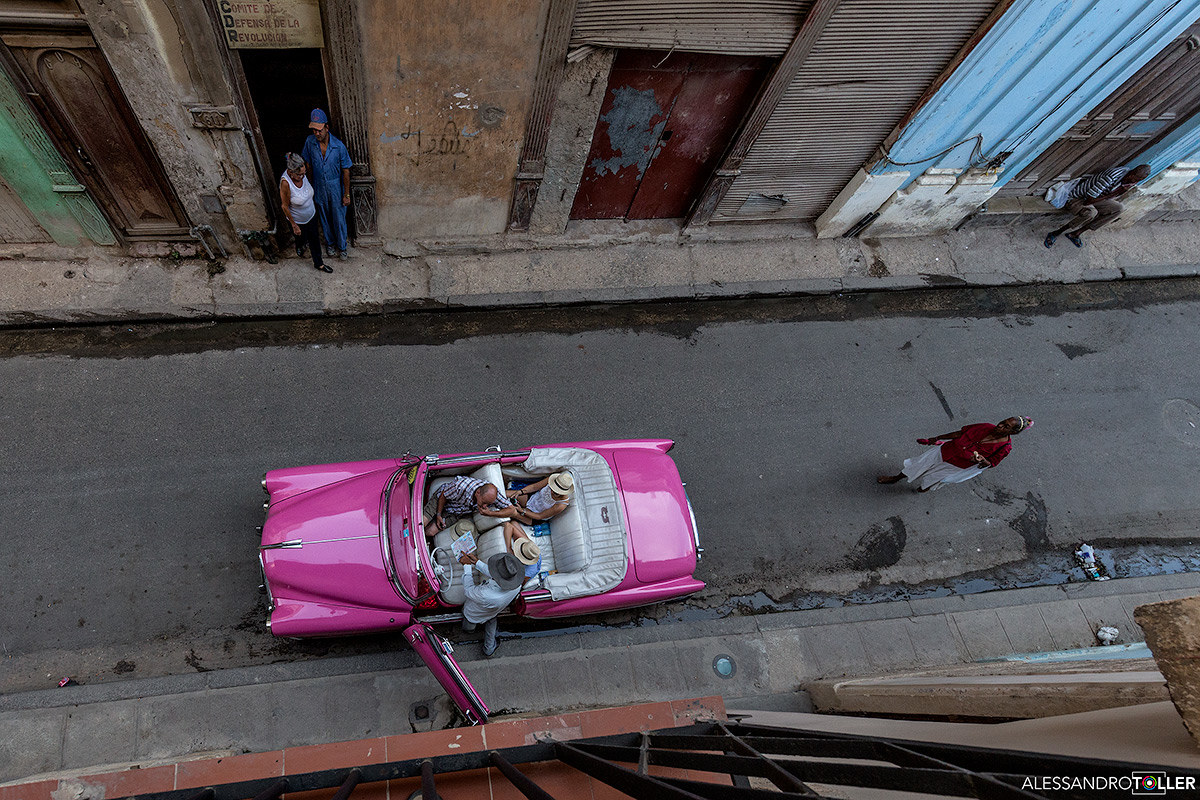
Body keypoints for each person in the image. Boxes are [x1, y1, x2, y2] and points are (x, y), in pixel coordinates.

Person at [877, 416, 1033, 492]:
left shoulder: (1005, 447)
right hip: (945, 451)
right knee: (917, 465)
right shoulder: (985, 426)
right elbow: (959, 433)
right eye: (1003, 422)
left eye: (1006, 427)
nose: (1000, 426)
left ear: (1013, 432)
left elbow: (991, 463)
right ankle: (895, 478)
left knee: (933, 480)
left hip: (958, 466)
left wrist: (981, 460)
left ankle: (922, 489)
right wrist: (936, 438)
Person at [1044, 164, 1151, 248]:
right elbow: (1089, 200)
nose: (1135, 183)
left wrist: (1122, 190)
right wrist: (1113, 194)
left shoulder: (1128, 180)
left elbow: (1110, 197)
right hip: (1078, 197)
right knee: (1091, 213)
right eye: (1135, 180)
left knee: (1119, 208)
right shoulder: (1112, 176)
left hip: (1097, 198)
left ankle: (1076, 233)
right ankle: (1056, 232)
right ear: (1132, 174)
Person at [300, 108, 353, 260]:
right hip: (318, 186)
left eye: (320, 130)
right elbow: (308, 165)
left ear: (327, 127)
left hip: (335, 186)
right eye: (314, 130)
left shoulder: (338, 146)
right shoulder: (310, 142)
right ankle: (330, 244)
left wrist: (346, 194)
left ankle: (342, 247)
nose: (317, 133)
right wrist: (309, 187)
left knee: (339, 218)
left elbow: (346, 171)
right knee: (324, 217)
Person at [458, 551, 523, 657]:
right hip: (493, 612)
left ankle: (469, 631)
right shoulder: (517, 584)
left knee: (468, 626)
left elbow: (468, 590)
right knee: (491, 623)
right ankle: (489, 648)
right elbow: (496, 575)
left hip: (474, 614)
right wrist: (477, 562)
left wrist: (467, 566)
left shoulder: (485, 594)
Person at [279, 153, 331, 274]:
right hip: (298, 220)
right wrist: (294, 225)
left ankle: (319, 263)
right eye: (299, 175)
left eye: (304, 173)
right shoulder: (286, 183)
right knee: (300, 237)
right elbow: (284, 206)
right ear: (291, 172)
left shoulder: (302, 174)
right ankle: (300, 245)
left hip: (311, 215)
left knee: (314, 240)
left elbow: (289, 155)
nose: (302, 176)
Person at [424, 475, 520, 538]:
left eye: (488, 504)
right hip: (441, 500)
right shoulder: (460, 486)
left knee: (430, 532)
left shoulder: (493, 495)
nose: (485, 506)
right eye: (484, 502)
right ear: (478, 492)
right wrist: (438, 514)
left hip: (456, 512)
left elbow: (512, 510)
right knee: (422, 522)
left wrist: (490, 513)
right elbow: (443, 496)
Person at [507, 472, 573, 523]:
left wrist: (522, 510)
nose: (552, 492)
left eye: (556, 492)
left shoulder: (561, 505)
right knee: (509, 494)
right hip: (531, 499)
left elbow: (539, 516)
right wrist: (521, 491)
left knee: (512, 511)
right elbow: (534, 487)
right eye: (551, 488)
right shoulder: (551, 480)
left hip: (534, 516)